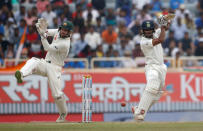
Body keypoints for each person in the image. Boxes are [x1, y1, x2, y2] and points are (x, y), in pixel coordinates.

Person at [14, 19, 74, 123]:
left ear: (69, 32)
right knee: (34, 60)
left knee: (57, 95)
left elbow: (47, 47)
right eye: (62, 29)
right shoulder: (57, 31)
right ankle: (22, 74)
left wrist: (42, 35)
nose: (63, 32)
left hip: (55, 68)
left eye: (66, 30)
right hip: (46, 63)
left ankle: (63, 115)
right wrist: (40, 30)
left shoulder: (65, 44)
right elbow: (45, 32)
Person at [131, 19, 170, 121]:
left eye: (149, 30)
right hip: (151, 67)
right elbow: (161, 40)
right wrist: (162, 26)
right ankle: (139, 113)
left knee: (158, 94)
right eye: (145, 30)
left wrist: (166, 20)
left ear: (152, 30)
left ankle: (138, 108)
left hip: (161, 67)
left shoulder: (156, 33)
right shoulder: (144, 42)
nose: (148, 32)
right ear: (142, 31)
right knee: (152, 86)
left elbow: (165, 28)